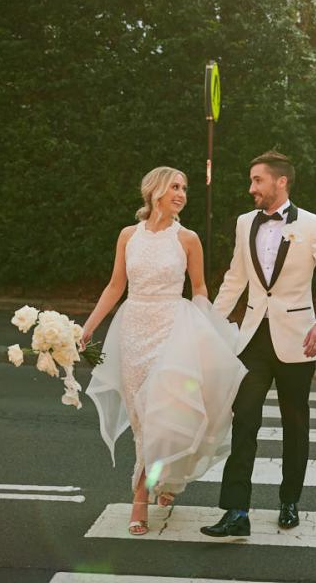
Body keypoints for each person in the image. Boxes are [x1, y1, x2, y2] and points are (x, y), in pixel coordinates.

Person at [82, 166, 246, 536]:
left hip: (173, 329)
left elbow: (200, 287)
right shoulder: (129, 235)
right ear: (154, 190)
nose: (182, 193)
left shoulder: (187, 238)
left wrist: (207, 330)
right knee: (142, 415)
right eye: (175, 186)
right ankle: (160, 481)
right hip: (134, 328)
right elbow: (114, 286)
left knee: (165, 411)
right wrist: (88, 326)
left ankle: (145, 494)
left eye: (185, 188)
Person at [200, 151, 316, 539]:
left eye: (257, 181)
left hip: (299, 338)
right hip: (252, 338)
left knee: (295, 422)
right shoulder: (244, 222)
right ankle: (236, 511)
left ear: (281, 182)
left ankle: (289, 500)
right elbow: (235, 277)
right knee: (243, 418)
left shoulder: (314, 225)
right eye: (251, 181)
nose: (251, 189)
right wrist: (210, 324)